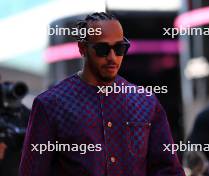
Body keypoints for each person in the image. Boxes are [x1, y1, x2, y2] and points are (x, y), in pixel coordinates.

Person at [19, 12, 185, 176]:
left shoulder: (146, 102)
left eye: (120, 48)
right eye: (102, 49)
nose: (112, 57)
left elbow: (168, 169)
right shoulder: (50, 104)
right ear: (82, 48)